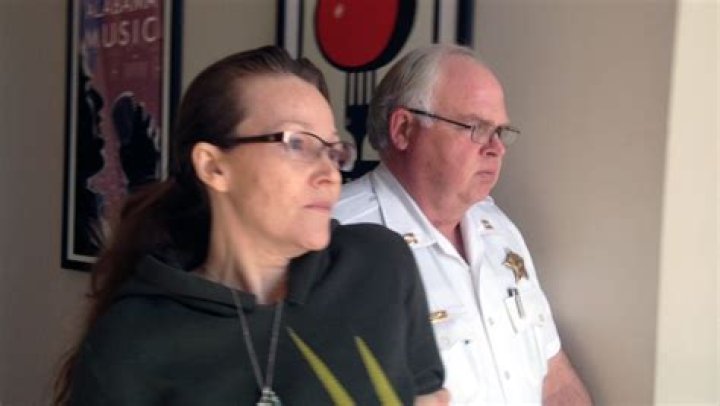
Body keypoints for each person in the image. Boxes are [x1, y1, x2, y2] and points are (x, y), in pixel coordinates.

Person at [54, 46, 447, 405]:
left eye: (332, 150)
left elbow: (429, 398)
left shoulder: (380, 265)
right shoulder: (132, 341)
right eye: (297, 144)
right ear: (213, 166)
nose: (330, 173)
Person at [333, 44, 592, 405]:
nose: (497, 148)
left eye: (500, 131)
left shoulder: (499, 230)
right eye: (476, 128)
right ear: (404, 129)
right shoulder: (338, 238)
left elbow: (555, 379)